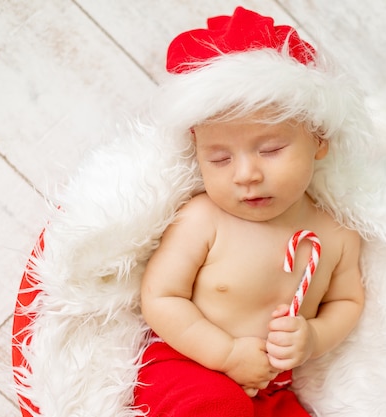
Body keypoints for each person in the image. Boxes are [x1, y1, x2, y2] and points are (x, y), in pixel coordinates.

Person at [135, 7, 365, 416]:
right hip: (186, 366)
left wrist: (312, 337)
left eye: (271, 149)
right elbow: (160, 296)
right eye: (219, 159)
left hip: (271, 389)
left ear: (319, 139)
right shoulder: (204, 219)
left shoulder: (336, 235)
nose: (246, 174)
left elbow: (346, 302)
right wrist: (224, 354)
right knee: (217, 407)